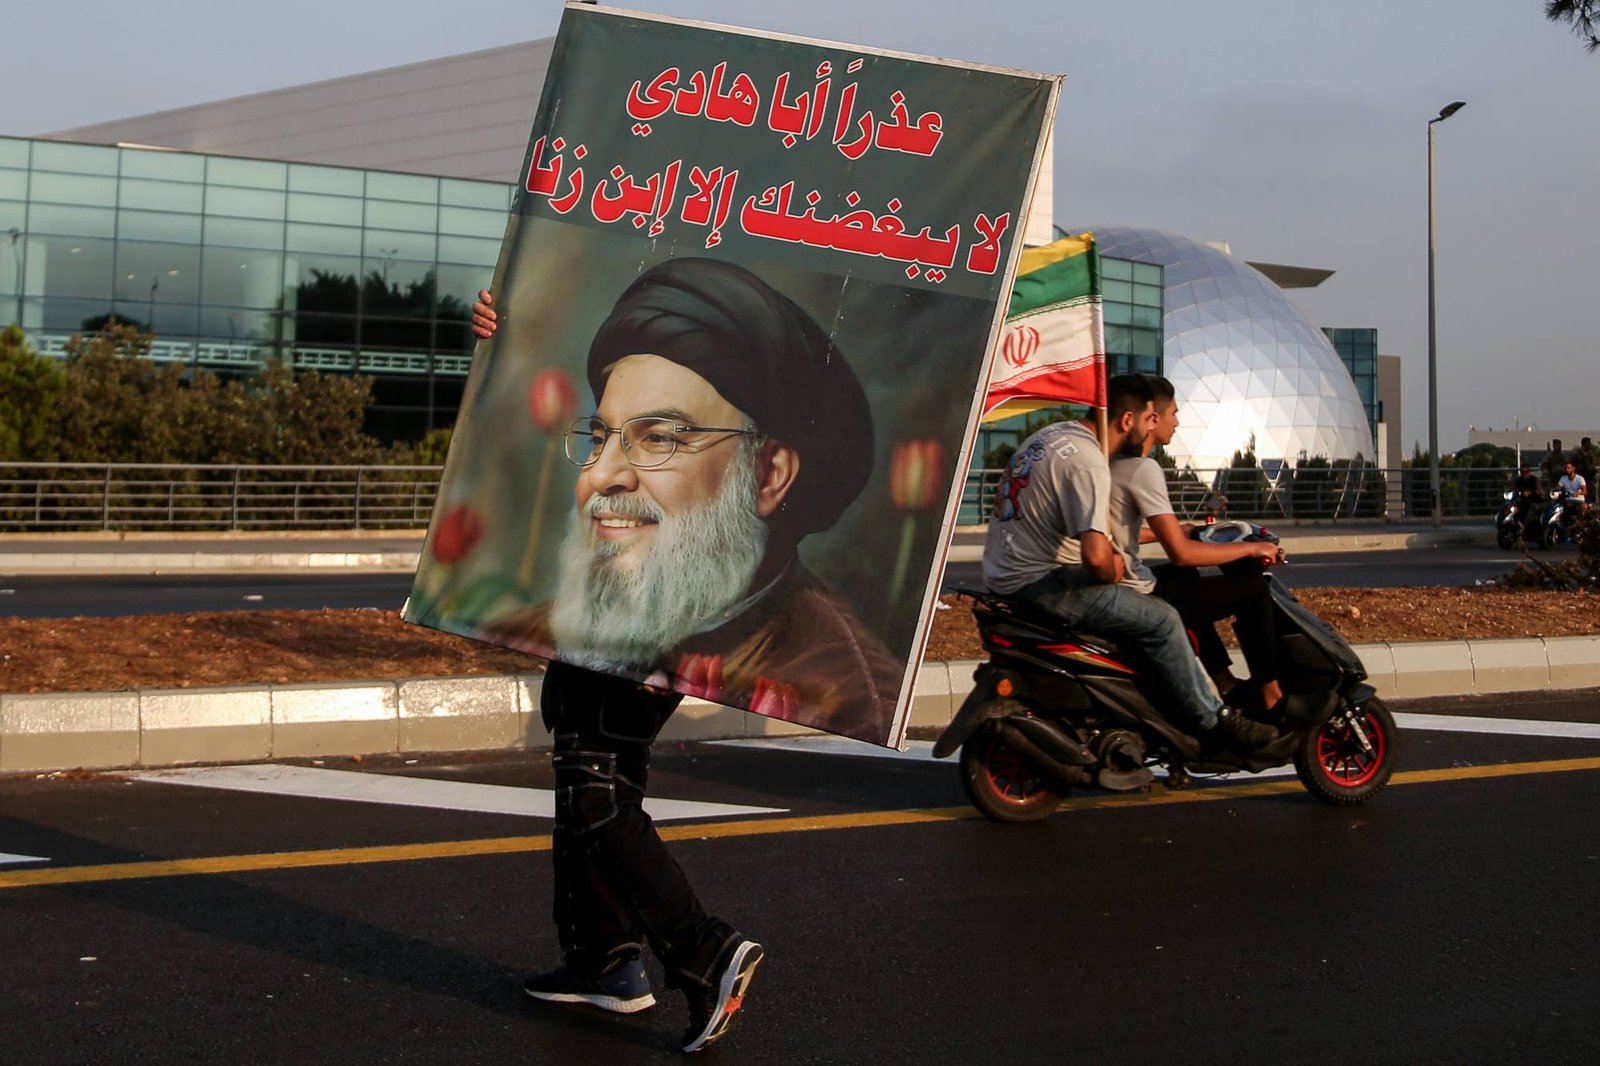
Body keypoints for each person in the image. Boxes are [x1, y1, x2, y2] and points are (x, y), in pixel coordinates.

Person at [476, 259, 903, 743]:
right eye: (599, 437)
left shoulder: (846, 694)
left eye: (659, 438)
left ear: (768, 476)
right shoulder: (534, 624)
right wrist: (497, 335)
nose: (601, 475)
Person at [982, 373, 1277, 750]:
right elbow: (1096, 559)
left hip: (1007, 574)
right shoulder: (1090, 463)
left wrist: (1160, 536)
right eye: (1150, 417)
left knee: (1176, 585)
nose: (1155, 425)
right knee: (1162, 619)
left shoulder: (1054, 437)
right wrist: (1112, 568)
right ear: (1126, 420)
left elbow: (1088, 528)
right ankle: (1213, 721)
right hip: (1043, 584)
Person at [1109, 375, 1330, 723]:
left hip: (1119, 584)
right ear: (1150, 418)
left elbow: (1117, 530)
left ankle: (1225, 683)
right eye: (1173, 413)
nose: (1177, 422)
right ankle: (1270, 695)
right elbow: (1182, 552)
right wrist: (1249, 550)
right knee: (1252, 590)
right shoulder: (1143, 469)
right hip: (1133, 591)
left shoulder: (1112, 464)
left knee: (1185, 578)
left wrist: (1180, 530)